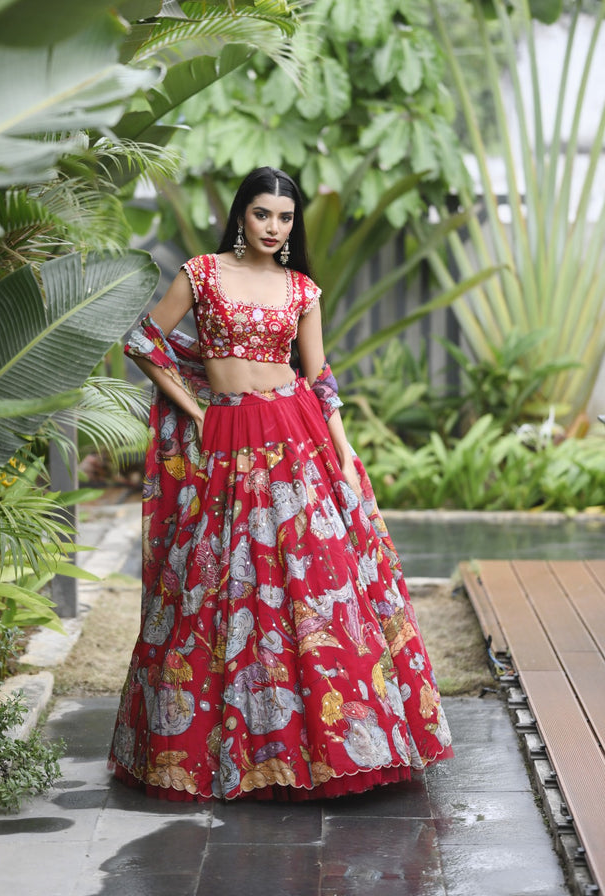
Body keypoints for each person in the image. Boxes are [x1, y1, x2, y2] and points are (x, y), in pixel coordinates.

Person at [108, 166, 453, 802]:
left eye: (285, 217)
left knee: (314, 588)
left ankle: (331, 748)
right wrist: (197, 410)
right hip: (228, 435)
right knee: (213, 583)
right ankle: (220, 749)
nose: (274, 227)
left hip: (296, 436)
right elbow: (143, 339)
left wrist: (346, 455)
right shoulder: (203, 272)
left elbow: (320, 380)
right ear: (242, 214)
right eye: (262, 213)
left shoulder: (301, 289)